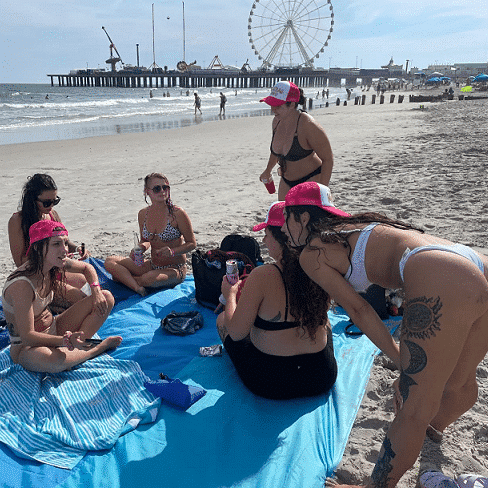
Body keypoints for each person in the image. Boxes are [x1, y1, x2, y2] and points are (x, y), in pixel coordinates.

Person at [282, 181, 488, 488]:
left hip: (440, 273)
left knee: (413, 407)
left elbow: (360, 310)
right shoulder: (354, 226)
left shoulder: (313, 253)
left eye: (286, 218)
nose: (283, 229)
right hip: (473, 260)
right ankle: (432, 430)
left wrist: (403, 363)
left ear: (303, 218)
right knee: (460, 383)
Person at [217, 201, 337, 400]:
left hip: (271, 382)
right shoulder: (320, 265)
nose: (264, 241)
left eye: (267, 234)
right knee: (323, 320)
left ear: (282, 236)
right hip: (321, 375)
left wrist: (230, 294)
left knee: (223, 320)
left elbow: (237, 334)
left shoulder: (263, 275)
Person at [1, 220, 121, 373]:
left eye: (65, 243)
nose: (64, 250)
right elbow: (27, 336)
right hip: (28, 348)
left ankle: (78, 346)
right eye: (56, 244)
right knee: (52, 361)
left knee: (106, 298)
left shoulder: (52, 263)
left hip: (55, 326)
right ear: (38, 247)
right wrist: (65, 341)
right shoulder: (22, 286)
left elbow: (87, 268)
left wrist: (96, 292)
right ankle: (95, 348)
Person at [104, 173, 196, 296]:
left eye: (165, 187)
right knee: (110, 261)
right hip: (153, 265)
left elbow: (192, 243)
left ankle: (126, 280)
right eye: (157, 188)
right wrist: (140, 248)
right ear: (147, 191)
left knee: (148, 279)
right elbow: (145, 240)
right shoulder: (143, 214)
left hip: (174, 269)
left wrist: (173, 251)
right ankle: (137, 287)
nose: (162, 191)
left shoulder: (178, 214)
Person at [8, 174, 90, 302]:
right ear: (32, 200)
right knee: (79, 295)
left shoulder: (52, 215)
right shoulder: (17, 221)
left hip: (55, 269)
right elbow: (20, 262)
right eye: (47, 203)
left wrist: (77, 248)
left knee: (84, 282)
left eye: (55, 201)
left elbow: (64, 241)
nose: (51, 206)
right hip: (35, 274)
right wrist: (51, 256)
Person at [259, 81, 334, 200]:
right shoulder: (276, 122)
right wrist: (268, 170)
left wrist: (323, 191)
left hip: (310, 179)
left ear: (292, 105)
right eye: (271, 104)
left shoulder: (307, 124)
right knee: (284, 211)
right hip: (286, 180)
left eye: (278, 106)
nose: (273, 109)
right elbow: (277, 151)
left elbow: (328, 159)